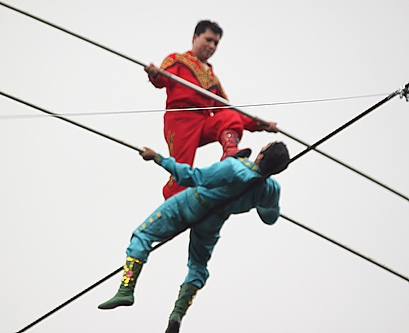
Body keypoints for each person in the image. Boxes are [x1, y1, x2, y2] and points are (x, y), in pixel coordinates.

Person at [98, 141, 290, 333]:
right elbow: (270, 217)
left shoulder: (235, 167)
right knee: (198, 265)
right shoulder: (271, 189)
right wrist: (258, 198)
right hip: (213, 220)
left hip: (191, 203)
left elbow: (192, 177)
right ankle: (178, 314)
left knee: (143, 235)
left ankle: (126, 289)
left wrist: (158, 158)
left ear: (261, 155)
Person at [144, 20, 279, 200]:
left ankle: (230, 150)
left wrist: (260, 125)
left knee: (228, 116)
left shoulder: (212, 78)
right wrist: (154, 74)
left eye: (215, 43)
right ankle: (174, 206)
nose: (211, 46)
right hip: (181, 120)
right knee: (181, 170)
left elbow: (227, 109)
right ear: (195, 37)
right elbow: (162, 80)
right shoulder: (178, 60)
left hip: (204, 121)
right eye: (208, 40)